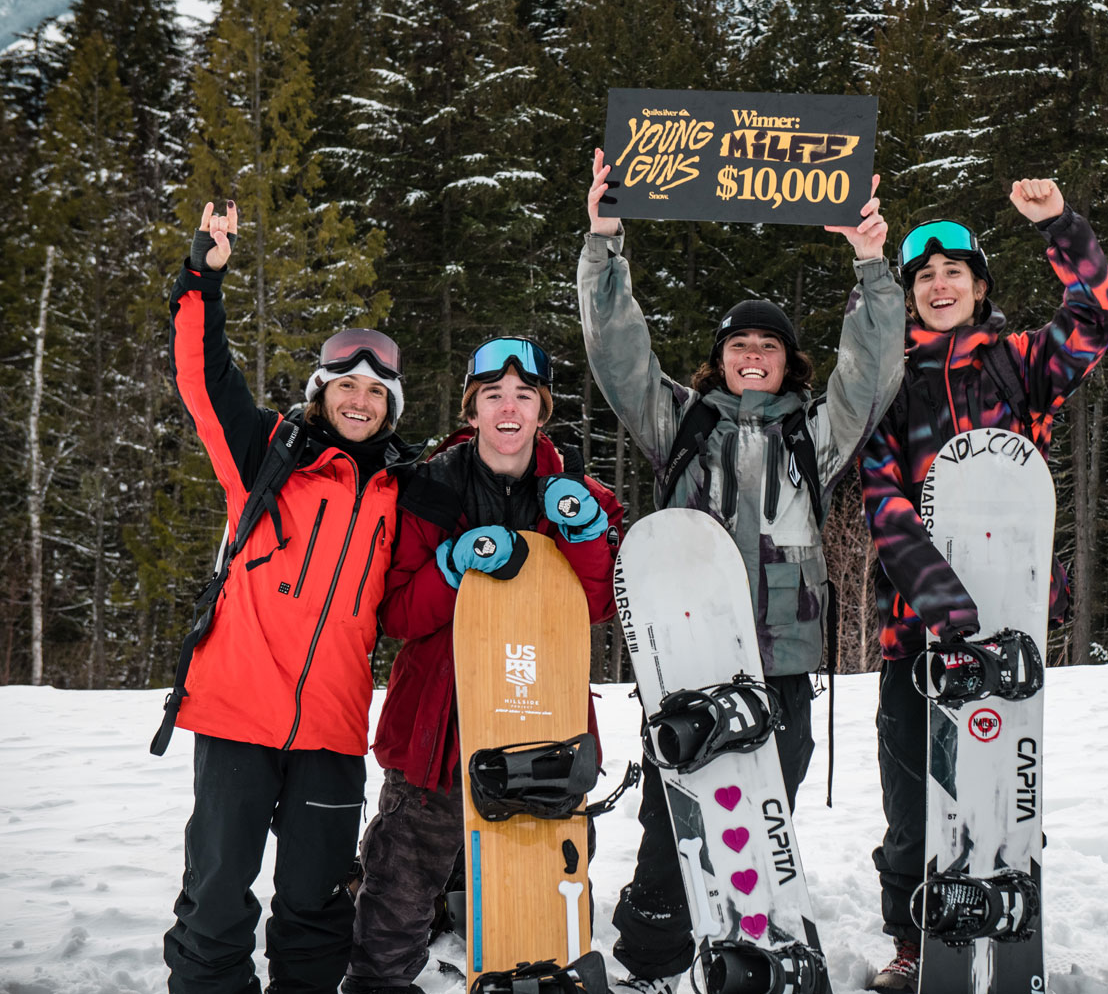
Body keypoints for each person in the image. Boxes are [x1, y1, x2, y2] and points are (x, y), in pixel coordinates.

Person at [578, 148, 904, 993]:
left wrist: (871, 264)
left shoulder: (813, 435)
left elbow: (870, 374)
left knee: (762, 817)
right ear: (720, 358)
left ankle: (750, 953)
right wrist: (605, 240)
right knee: (669, 816)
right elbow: (620, 357)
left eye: (768, 345)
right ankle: (652, 958)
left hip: (785, 662)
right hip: (687, 661)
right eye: (738, 344)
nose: (752, 355)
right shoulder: (680, 425)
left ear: (787, 361)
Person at [859, 179, 1108, 991]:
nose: (940, 285)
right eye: (925, 275)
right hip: (918, 632)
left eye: (955, 272)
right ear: (910, 295)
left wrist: (1060, 224)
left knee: (1005, 796)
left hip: (1011, 630)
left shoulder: (1021, 364)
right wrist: (940, 600)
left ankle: (1015, 926)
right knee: (914, 811)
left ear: (980, 285)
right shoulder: (887, 380)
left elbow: (1099, 316)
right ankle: (915, 943)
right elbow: (881, 495)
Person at [164, 201, 420, 994]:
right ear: (322, 393)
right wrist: (203, 278)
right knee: (216, 893)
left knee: (315, 903)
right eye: (345, 384)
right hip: (238, 713)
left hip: (333, 730)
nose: (359, 400)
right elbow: (206, 380)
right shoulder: (268, 455)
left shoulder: (404, 490)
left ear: (390, 408)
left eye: (374, 393)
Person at [343, 337, 624, 994]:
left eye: (523, 395)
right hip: (441, 716)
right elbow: (398, 615)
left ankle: (540, 965)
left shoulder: (579, 492)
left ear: (541, 410)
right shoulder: (429, 487)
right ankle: (379, 976)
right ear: (472, 410)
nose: (508, 407)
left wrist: (582, 537)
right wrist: (451, 566)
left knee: (540, 853)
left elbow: (598, 605)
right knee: (408, 857)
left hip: (540, 708)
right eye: (493, 395)